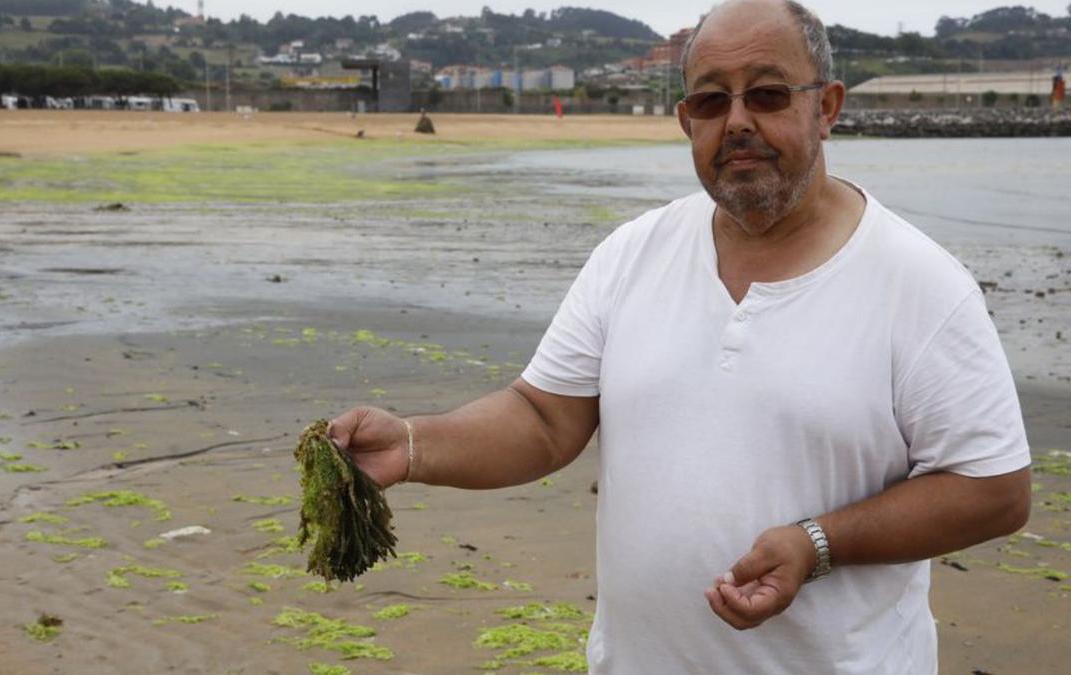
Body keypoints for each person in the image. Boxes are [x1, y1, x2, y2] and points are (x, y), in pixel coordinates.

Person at [329, 1, 1032, 672]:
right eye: (710, 101)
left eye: (767, 94)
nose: (736, 122)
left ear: (827, 108)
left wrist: (817, 543)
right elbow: (544, 419)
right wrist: (413, 444)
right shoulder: (633, 253)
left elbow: (995, 488)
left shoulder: (919, 283)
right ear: (684, 119)